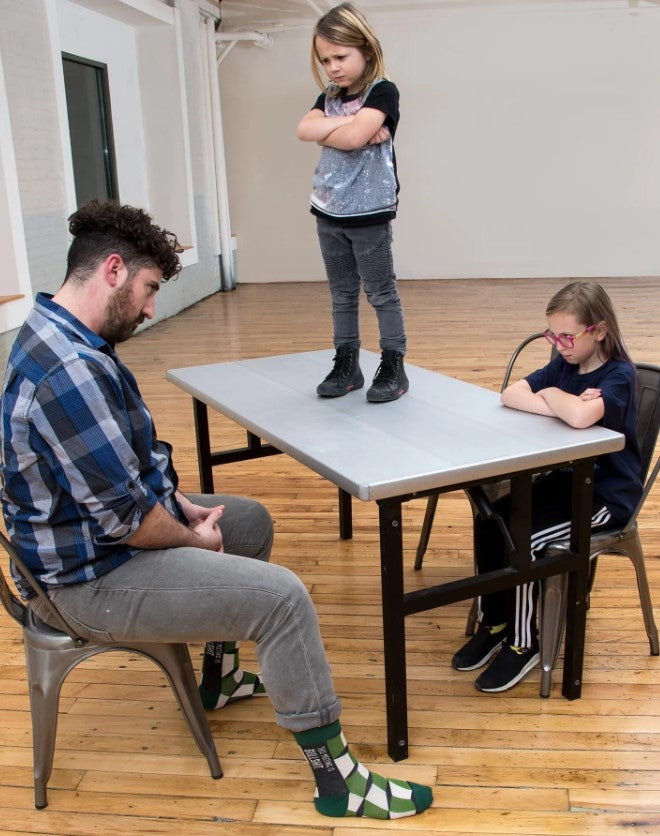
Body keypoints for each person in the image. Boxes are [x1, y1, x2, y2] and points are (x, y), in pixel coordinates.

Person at [0, 200, 432, 820]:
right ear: (114, 270)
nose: (152, 308)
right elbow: (130, 524)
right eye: (150, 289)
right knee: (282, 599)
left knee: (246, 520)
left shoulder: (60, 333)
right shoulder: (69, 371)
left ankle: (220, 679)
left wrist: (181, 504)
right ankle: (337, 780)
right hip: (85, 581)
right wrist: (188, 536)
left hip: (88, 543)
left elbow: (127, 467)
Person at [452, 282, 643, 692]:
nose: (558, 345)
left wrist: (558, 399)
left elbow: (579, 420)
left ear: (600, 330)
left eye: (567, 336)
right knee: (493, 519)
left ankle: (525, 644)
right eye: (551, 336)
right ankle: (497, 622)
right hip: (564, 481)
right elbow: (511, 394)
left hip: (605, 498)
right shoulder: (565, 366)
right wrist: (563, 399)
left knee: (524, 538)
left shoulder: (620, 376)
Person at [296, 2, 408, 403]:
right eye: (325, 60)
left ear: (365, 48)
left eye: (341, 56)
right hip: (328, 210)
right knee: (341, 292)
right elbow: (303, 128)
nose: (333, 67)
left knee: (380, 291)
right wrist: (349, 126)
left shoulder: (383, 91)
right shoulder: (328, 95)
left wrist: (339, 131)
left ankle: (393, 363)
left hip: (370, 213)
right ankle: (347, 364)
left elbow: (352, 139)